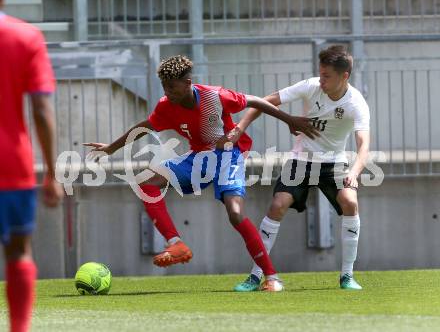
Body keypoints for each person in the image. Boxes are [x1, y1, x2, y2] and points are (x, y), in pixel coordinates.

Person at [84, 55, 319, 292]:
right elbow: (144, 126)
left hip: (229, 155)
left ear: (188, 83)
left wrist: (289, 119)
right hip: (199, 158)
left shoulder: (214, 96)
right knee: (145, 181)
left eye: (172, 87)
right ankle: (176, 244)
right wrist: (111, 148)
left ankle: (272, 278)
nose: (168, 92)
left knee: (235, 213)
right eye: (164, 86)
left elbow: (255, 101)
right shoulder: (166, 106)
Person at [233, 45, 370, 291]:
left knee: (350, 201)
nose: (322, 80)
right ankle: (255, 276)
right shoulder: (310, 86)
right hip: (301, 161)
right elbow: (265, 102)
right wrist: (241, 126)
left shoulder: (356, 103)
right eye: (321, 73)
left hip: (335, 163)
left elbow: (363, 144)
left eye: (327, 76)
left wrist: (354, 172)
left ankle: (347, 276)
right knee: (277, 205)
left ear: (344, 76)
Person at [0, 2, 64, 331]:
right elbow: (41, 108)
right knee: (18, 250)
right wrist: (52, 171)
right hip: (11, 163)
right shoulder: (26, 37)